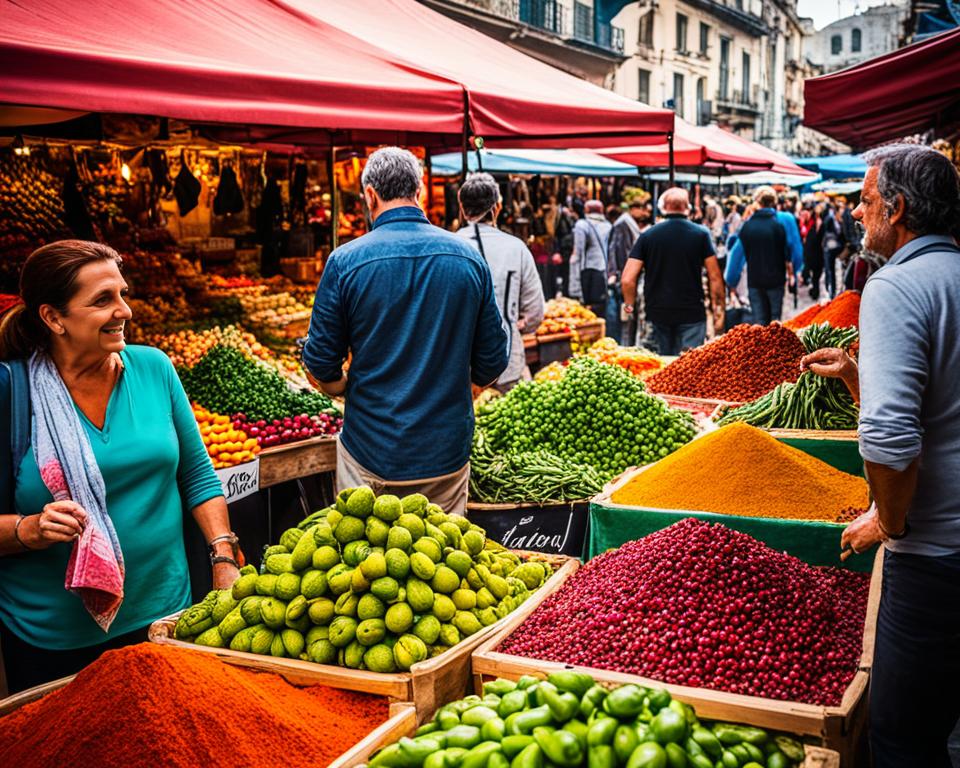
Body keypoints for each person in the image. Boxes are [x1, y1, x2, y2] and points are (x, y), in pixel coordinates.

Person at [0, 241, 237, 693]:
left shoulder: (153, 369)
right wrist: (28, 529)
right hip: (53, 639)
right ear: (53, 318)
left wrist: (223, 554)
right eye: (102, 300)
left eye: (122, 294)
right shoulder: (12, 393)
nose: (124, 310)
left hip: (164, 618)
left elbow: (197, 475)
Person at [800, 144, 960, 767]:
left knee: (900, 741)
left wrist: (890, 524)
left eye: (867, 202)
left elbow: (893, 439)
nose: (859, 214)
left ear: (897, 208)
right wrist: (856, 376)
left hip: (936, 560)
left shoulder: (893, 286)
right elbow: (941, 401)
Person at [302, 147, 508, 515]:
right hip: (445, 451)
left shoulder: (345, 262)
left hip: (371, 450)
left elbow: (320, 362)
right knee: (444, 562)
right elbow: (493, 360)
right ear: (421, 191)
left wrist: (342, 388)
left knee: (365, 563)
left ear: (369, 195)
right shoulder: (468, 258)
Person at [456, 173, 544, 393]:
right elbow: (535, 313)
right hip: (508, 363)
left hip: (458, 368)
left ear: (462, 207)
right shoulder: (516, 247)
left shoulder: (446, 247)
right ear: (497, 207)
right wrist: (513, 325)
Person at [621, 187, 725, 355]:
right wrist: (718, 308)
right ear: (688, 208)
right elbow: (715, 277)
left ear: (663, 207)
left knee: (660, 370)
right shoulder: (701, 234)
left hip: (656, 314)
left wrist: (629, 307)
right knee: (690, 369)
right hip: (692, 314)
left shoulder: (648, 235)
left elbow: (627, 279)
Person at [725, 187, 795, 325]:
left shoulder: (748, 226)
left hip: (755, 281)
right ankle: (776, 346)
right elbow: (787, 254)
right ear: (773, 202)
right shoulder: (778, 225)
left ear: (757, 202)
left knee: (760, 322)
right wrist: (791, 275)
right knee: (775, 322)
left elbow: (737, 255)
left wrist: (731, 281)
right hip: (776, 280)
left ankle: (762, 347)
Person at [608, 200, 650, 345]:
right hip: (625, 280)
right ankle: (624, 347)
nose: (645, 213)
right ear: (634, 208)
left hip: (628, 279)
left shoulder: (628, 223)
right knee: (626, 318)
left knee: (629, 320)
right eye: (642, 208)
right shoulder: (623, 224)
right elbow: (619, 253)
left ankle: (627, 346)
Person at [570, 199, 612, 317]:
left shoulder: (582, 225)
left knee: (585, 312)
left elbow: (577, 253)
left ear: (586, 210)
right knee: (599, 309)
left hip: (587, 271)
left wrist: (573, 287)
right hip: (603, 271)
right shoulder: (608, 226)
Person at [820, 202, 845, 299]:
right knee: (829, 269)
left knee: (832, 270)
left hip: (834, 248)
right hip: (829, 248)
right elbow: (826, 232)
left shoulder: (840, 220)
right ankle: (830, 289)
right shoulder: (830, 219)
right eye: (841, 209)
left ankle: (832, 290)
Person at [802, 203, 825, 300]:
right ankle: (815, 291)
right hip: (815, 253)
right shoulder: (814, 223)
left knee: (815, 274)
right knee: (815, 275)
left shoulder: (819, 224)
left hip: (815, 253)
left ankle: (815, 291)